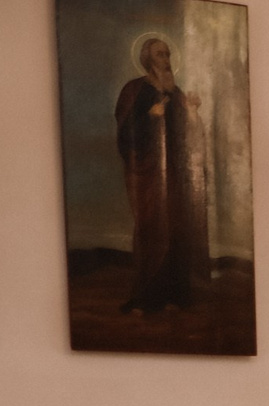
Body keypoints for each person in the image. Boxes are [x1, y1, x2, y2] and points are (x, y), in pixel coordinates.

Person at [115, 37, 205, 315]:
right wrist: (150, 117)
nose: (165, 60)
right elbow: (125, 134)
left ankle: (173, 295)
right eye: (159, 55)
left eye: (167, 54)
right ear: (147, 60)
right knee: (151, 228)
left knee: (176, 227)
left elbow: (189, 139)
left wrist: (191, 113)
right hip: (147, 173)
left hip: (175, 176)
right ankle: (145, 298)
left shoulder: (176, 93)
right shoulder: (134, 90)